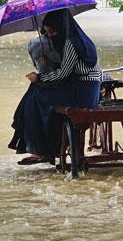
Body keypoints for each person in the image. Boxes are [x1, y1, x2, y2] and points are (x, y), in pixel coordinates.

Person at [9, 10, 101, 165]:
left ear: (61, 27)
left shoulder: (71, 43)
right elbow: (71, 68)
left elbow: (63, 74)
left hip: (82, 92)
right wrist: (50, 65)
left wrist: (39, 77)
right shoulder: (81, 40)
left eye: (53, 32)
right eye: (48, 33)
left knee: (35, 96)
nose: (51, 36)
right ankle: (43, 145)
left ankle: (40, 148)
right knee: (35, 91)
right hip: (86, 89)